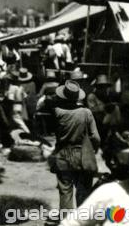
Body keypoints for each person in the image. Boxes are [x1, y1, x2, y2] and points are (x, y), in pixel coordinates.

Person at [47, 81, 100, 214]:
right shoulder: (86, 113)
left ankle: (66, 222)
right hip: (82, 156)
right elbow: (96, 137)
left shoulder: (57, 112)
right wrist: (94, 149)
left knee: (65, 192)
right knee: (83, 192)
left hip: (62, 156)